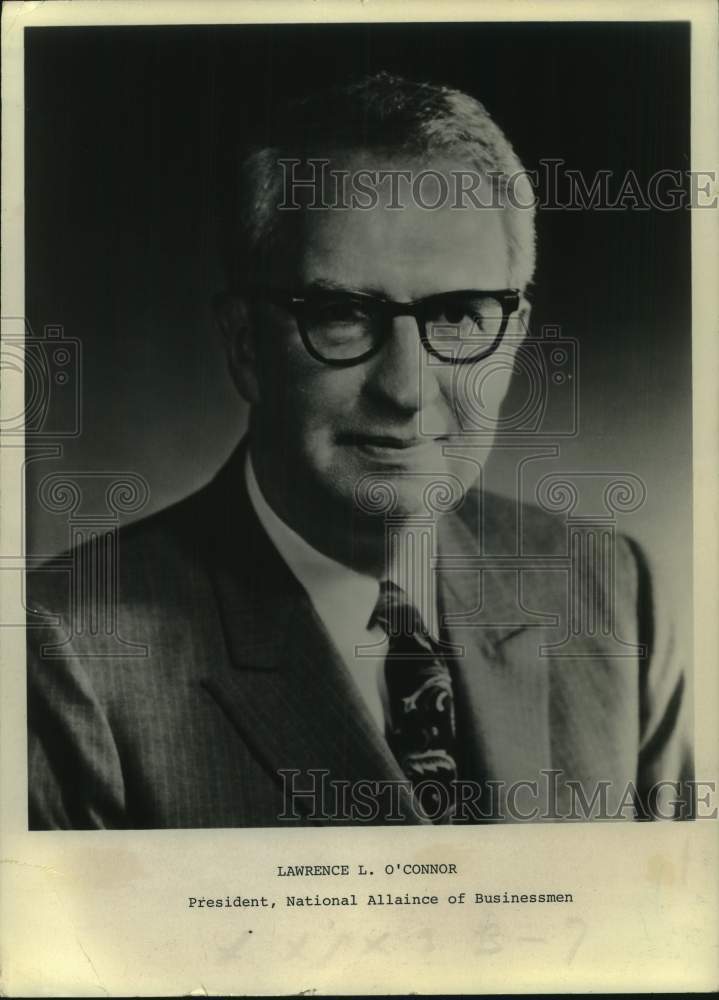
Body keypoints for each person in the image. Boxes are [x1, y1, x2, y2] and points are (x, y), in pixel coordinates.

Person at [27, 73, 693, 828]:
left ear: (512, 338)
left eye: (459, 316)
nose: (406, 389)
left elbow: (664, 937)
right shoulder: (60, 656)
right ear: (245, 347)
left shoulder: (612, 593)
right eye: (342, 315)